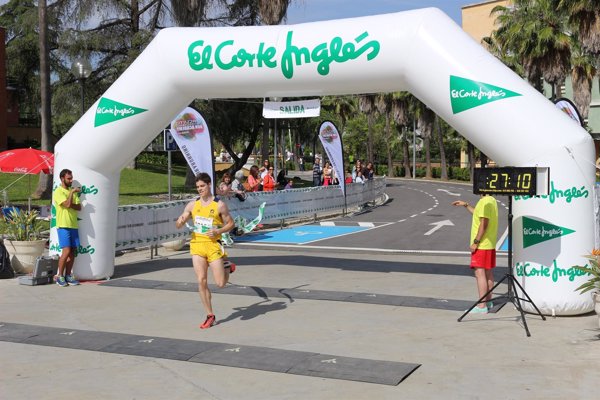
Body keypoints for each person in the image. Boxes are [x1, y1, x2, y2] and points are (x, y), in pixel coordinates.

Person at [176, 173, 235, 329]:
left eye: (202, 186)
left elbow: (231, 224)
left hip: (213, 245)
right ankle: (210, 315)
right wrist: (180, 221)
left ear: (209, 185)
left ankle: (227, 265)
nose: (199, 189)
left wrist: (218, 231)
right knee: (201, 280)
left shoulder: (219, 205)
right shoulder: (192, 204)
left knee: (221, 283)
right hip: (197, 245)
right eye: (197, 187)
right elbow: (179, 222)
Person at [452, 195, 498, 313]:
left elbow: (484, 223)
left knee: (479, 273)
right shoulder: (491, 200)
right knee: (488, 273)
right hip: (490, 243)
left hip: (482, 245)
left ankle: (482, 307)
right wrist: (466, 205)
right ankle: (488, 302)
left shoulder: (484, 202)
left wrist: (476, 242)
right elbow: (479, 214)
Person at [52, 169, 81, 287]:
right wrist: (71, 193)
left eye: (71, 178)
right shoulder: (58, 191)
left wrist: (71, 198)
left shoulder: (72, 192)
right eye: (69, 178)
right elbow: (68, 205)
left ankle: (68, 275)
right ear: (62, 178)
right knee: (66, 251)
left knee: (72, 251)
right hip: (63, 225)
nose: (71, 180)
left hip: (73, 225)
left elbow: (79, 207)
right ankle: (60, 276)